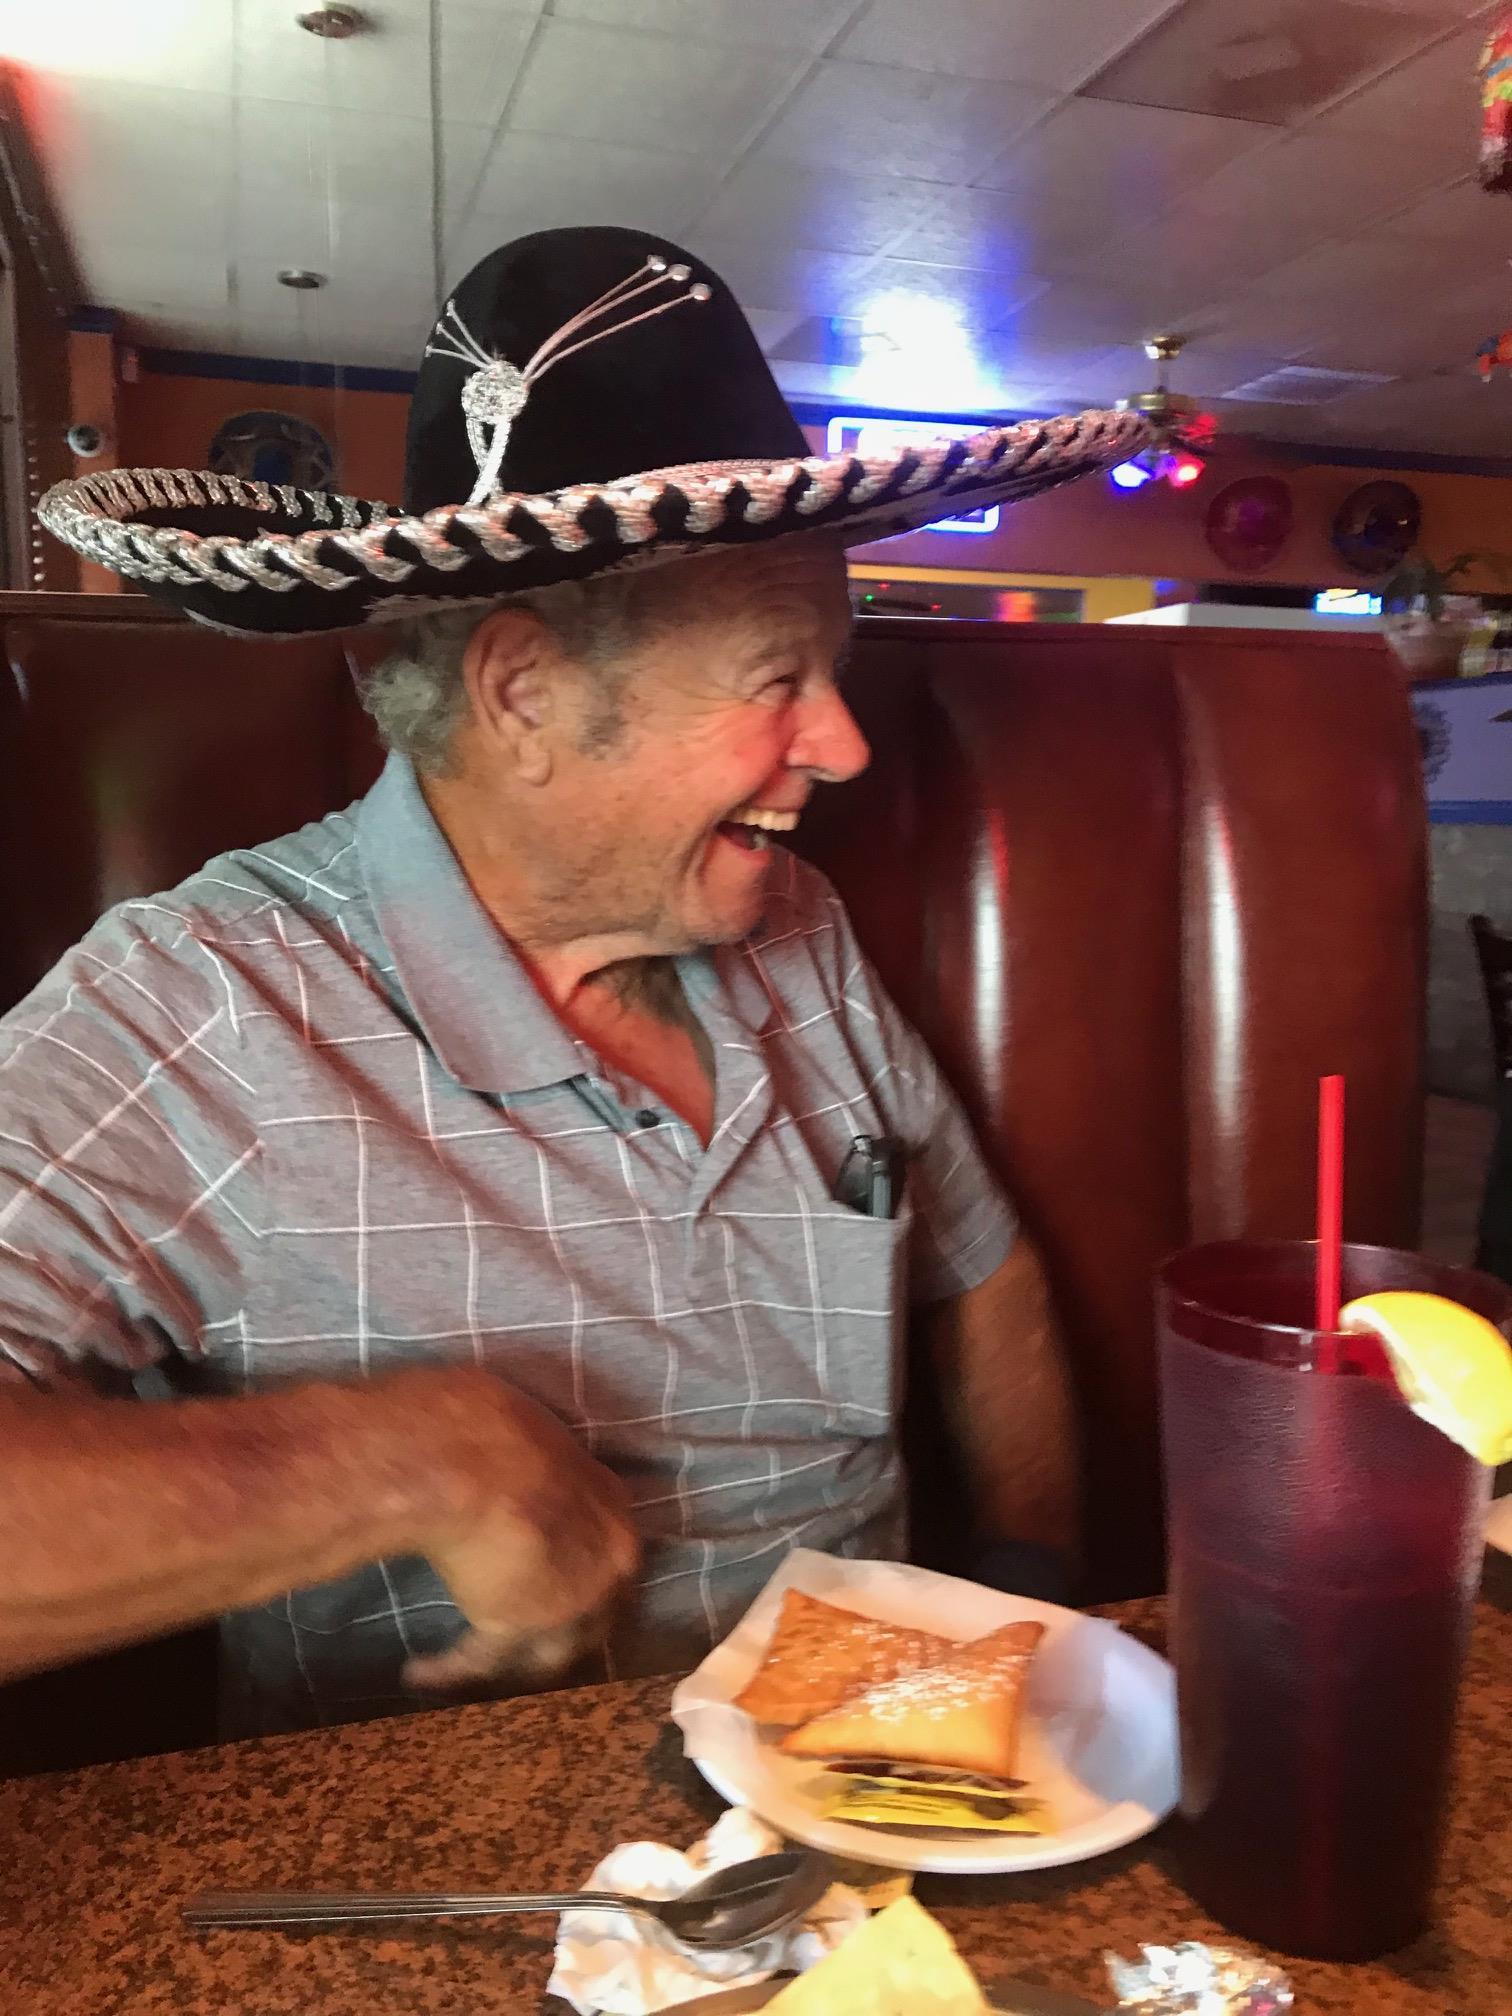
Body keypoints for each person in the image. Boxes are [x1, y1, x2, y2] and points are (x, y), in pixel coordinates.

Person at [18, 228, 1146, 1738]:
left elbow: (980, 1265)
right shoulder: (207, 999)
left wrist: (1033, 1598)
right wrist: (421, 1459)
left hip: (877, 1806)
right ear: (523, 691)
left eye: (838, 669)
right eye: (774, 678)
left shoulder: (792, 920)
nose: (845, 746)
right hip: (463, 1882)